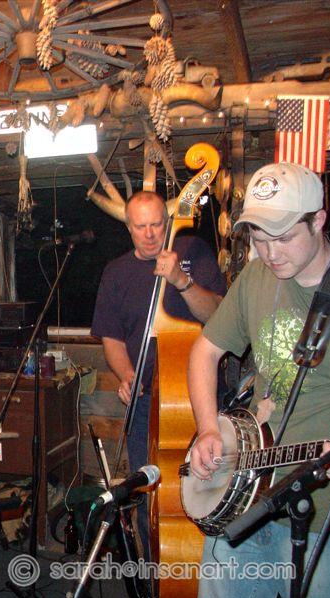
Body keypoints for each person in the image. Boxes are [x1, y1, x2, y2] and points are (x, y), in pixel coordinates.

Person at [187, 162, 330, 598]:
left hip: (327, 518)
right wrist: (208, 428)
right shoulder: (255, 277)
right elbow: (204, 352)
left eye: (283, 237)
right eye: (259, 238)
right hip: (244, 495)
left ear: (318, 220)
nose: (270, 252)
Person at [91, 191, 226, 553]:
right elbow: (112, 338)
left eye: (156, 225)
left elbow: (217, 314)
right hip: (144, 404)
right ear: (128, 228)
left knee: (207, 491)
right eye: (141, 227)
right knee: (149, 497)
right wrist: (126, 375)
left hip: (199, 399)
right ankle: (156, 573)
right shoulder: (116, 272)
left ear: (168, 222)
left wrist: (182, 280)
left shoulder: (193, 252)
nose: (150, 234)